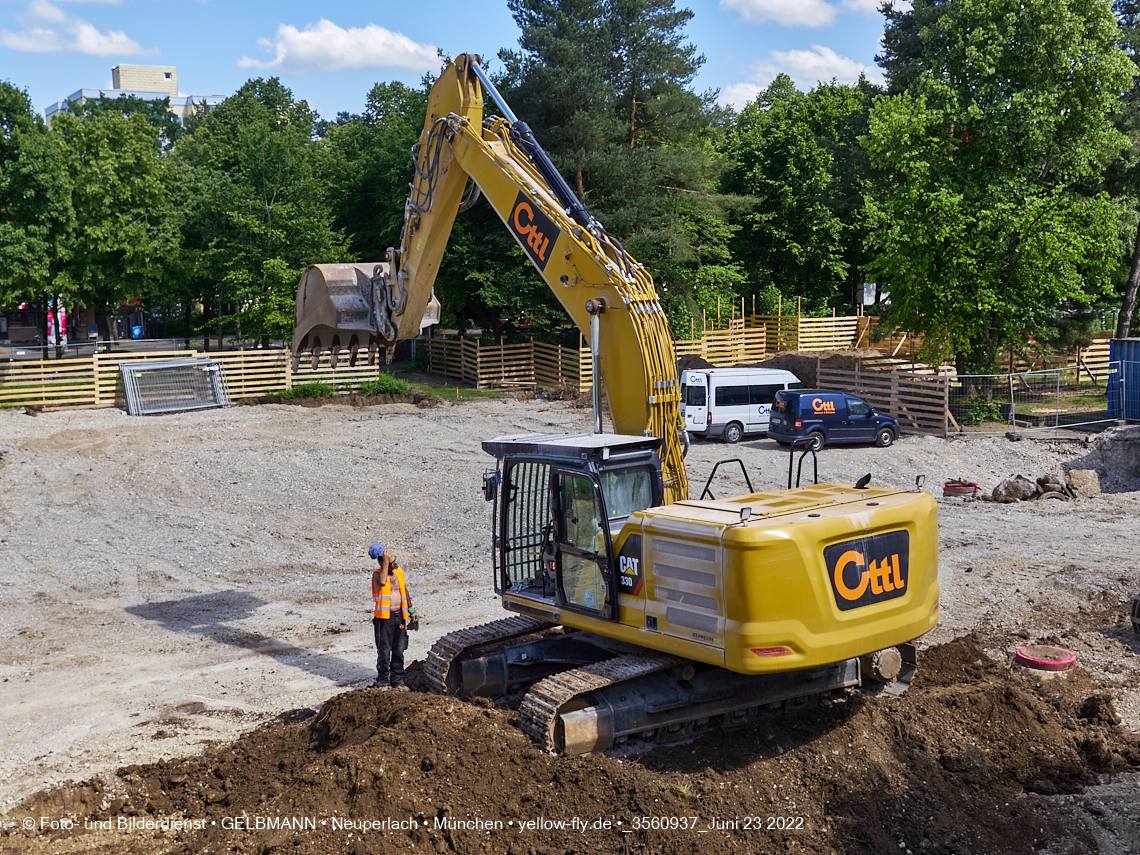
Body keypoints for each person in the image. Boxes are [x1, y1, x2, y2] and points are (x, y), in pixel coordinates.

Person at [368, 542, 410, 691]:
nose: (395, 563)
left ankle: (398, 680)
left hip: (399, 616)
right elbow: (382, 581)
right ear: (382, 561)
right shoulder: (377, 574)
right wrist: (386, 563)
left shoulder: (399, 572)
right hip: (384, 619)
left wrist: (411, 609)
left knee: (399, 649)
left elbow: (404, 589)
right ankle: (383, 680)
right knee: (384, 650)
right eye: (391, 560)